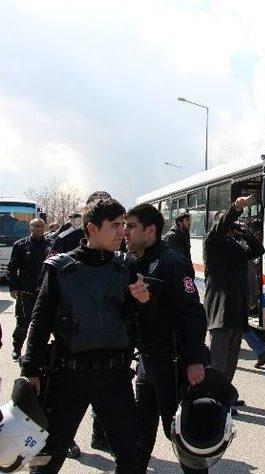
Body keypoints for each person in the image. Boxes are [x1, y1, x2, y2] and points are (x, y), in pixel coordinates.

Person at [20, 198, 150, 473]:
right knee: (46, 458)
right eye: (114, 226)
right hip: (69, 377)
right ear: (91, 228)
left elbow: (142, 320)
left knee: (132, 456)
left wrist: (144, 301)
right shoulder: (60, 269)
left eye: (124, 225)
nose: (122, 232)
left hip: (114, 377)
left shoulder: (126, 267)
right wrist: (30, 369)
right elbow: (40, 322)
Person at [123, 204, 208, 473]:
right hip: (147, 361)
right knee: (140, 432)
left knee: (180, 433)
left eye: (131, 226)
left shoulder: (172, 262)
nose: (125, 231)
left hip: (174, 363)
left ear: (150, 230)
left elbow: (192, 313)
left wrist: (195, 360)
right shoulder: (133, 262)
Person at [203, 196, 264, 391]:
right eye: (230, 225)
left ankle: (224, 397)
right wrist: (236, 208)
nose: (232, 228)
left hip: (236, 312)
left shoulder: (235, 246)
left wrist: (244, 232)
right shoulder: (212, 242)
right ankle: (214, 397)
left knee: (230, 363)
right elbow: (220, 227)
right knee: (218, 363)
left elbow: (257, 250)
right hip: (220, 312)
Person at [7, 218, 48, 361]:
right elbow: (12, 268)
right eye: (36, 226)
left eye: (42, 226)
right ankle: (16, 348)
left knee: (43, 324)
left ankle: (38, 353)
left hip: (44, 292)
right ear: (30, 228)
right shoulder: (20, 245)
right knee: (22, 324)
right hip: (25, 292)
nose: (39, 228)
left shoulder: (50, 244)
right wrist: (13, 287)